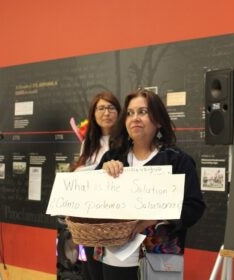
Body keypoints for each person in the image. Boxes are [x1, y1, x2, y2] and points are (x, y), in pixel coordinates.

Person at [87, 88, 205, 280]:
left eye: (142, 112)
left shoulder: (177, 161)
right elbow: (92, 203)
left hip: (159, 260)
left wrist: (152, 218)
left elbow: (194, 208)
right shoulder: (112, 157)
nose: (135, 118)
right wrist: (103, 174)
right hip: (113, 260)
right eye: (130, 113)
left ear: (158, 120)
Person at [71, 91, 121, 280]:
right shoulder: (88, 142)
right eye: (101, 108)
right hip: (90, 220)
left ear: (118, 112)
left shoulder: (125, 141)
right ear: (93, 113)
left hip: (114, 221)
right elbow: (80, 172)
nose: (106, 113)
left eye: (110, 108)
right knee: (92, 272)